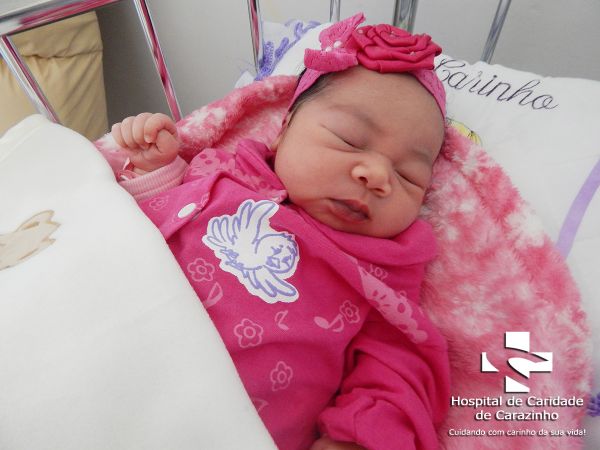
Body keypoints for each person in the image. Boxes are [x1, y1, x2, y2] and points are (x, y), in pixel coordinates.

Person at [106, 13, 450, 450]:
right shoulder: (226, 173)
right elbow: (139, 233)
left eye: (408, 175)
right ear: (283, 131)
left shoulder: (387, 265)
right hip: (119, 350)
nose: (378, 175)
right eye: (348, 140)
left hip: (230, 428)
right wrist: (156, 171)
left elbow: (400, 363)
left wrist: (361, 434)